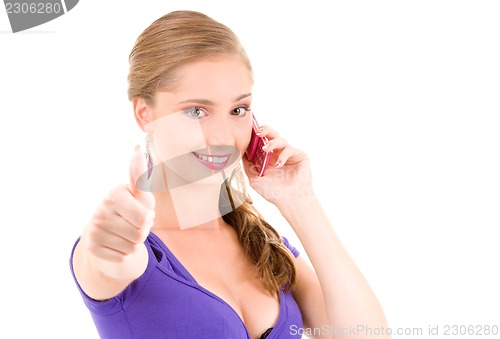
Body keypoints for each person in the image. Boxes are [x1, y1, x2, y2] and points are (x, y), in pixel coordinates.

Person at [70, 10, 390, 339]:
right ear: (144, 114)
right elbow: (107, 260)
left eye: (238, 110)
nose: (223, 137)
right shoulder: (130, 248)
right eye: (196, 111)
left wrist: (301, 202)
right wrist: (106, 243)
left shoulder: (264, 244)